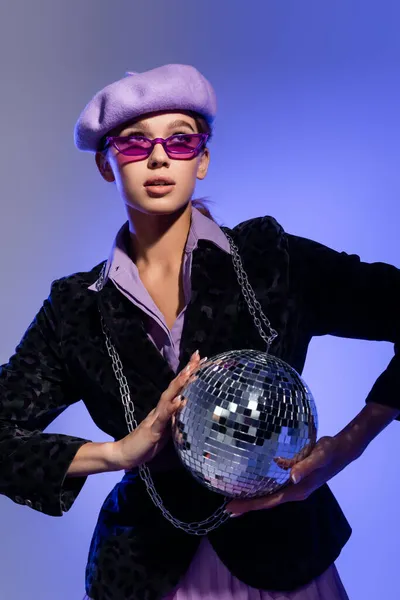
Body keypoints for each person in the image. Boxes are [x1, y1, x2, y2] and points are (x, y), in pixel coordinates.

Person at [0, 64, 399, 600]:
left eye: (180, 141)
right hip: (147, 572)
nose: (159, 157)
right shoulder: (75, 309)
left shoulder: (269, 261)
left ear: (203, 159)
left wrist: (347, 446)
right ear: (106, 163)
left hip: (287, 562)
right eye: (135, 143)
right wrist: (118, 452)